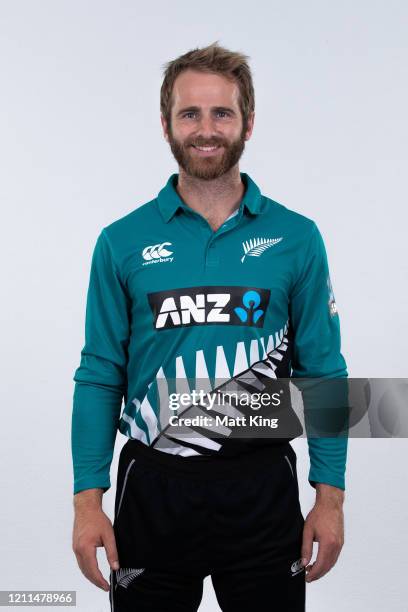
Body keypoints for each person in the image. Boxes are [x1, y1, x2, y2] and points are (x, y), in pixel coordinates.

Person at [71, 41, 348, 612]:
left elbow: (323, 370)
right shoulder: (120, 241)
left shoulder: (298, 237)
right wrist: (86, 503)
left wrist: (330, 498)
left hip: (262, 486)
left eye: (222, 112)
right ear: (166, 124)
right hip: (153, 489)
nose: (206, 128)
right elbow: (100, 374)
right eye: (189, 113)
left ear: (247, 123)